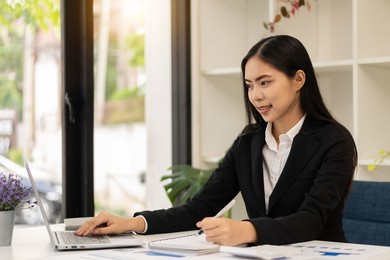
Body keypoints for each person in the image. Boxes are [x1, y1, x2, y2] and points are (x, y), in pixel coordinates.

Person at [76, 35, 357, 246]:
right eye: (249, 85)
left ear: (298, 79)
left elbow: (311, 220)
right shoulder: (249, 142)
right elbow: (199, 209)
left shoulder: (335, 142)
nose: (255, 95)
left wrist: (246, 230)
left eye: (265, 82)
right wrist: (133, 222)